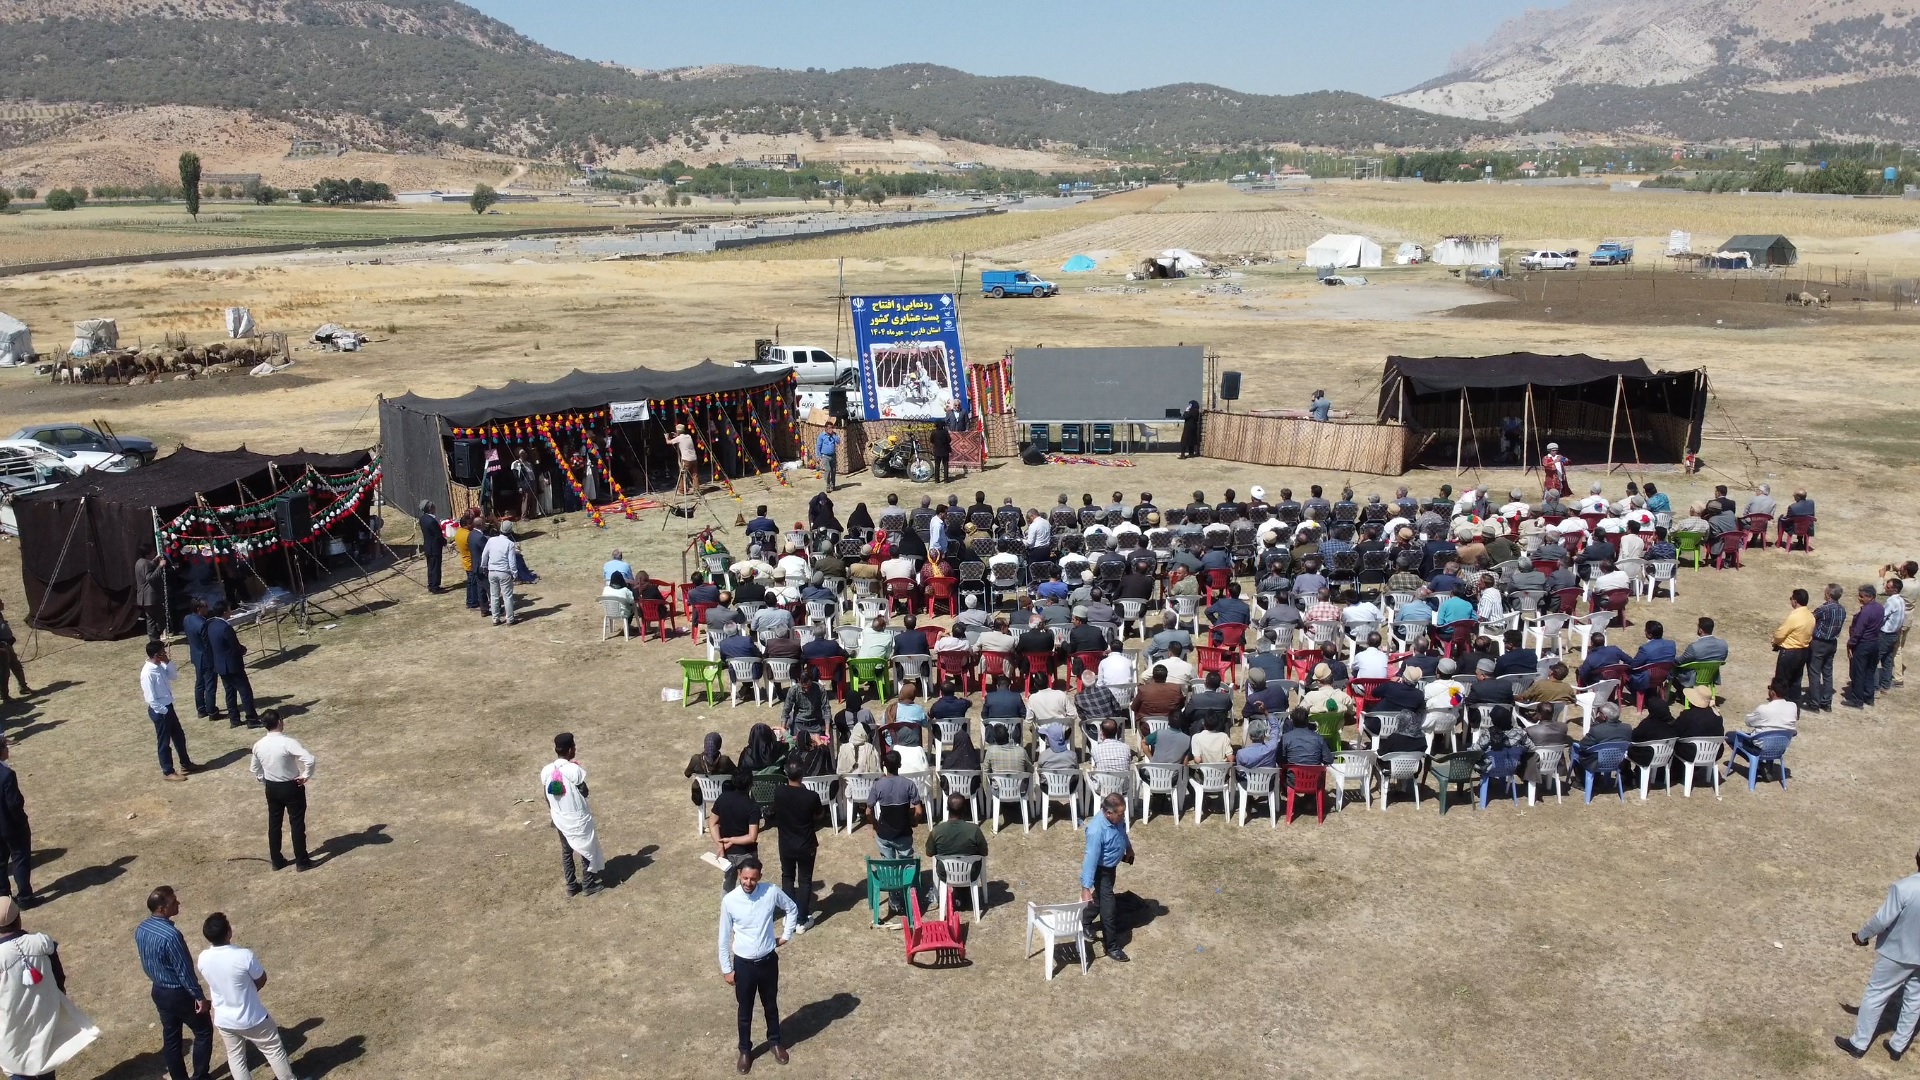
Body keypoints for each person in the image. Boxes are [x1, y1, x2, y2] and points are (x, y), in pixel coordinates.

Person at [0, 895, 95, 1079]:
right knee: (45, 1050)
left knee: (16, 1060)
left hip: (10, 1017)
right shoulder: (40, 942)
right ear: (18, 919)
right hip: (43, 1009)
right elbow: (58, 973)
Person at [717, 857, 797, 1073]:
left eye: (753, 879)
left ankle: (775, 1042)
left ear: (759, 877)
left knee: (771, 1005)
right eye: (744, 878)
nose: (748, 883)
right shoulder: (730, 901)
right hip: (743, 966)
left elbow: (791, 908)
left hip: (768, 962)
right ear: (739, 875)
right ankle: (745, 1051)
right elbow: (723, 937)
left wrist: (786, 935)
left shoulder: (771, 892)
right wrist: (727, 969)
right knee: (745, 1010)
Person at [1840, 849, 1920, 1060]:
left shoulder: (1904, 887)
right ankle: (1897, 1046)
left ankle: (1859, 1043)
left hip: (1898, 953)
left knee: (1876, 994)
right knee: (1915, 999)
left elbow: (1881, 920)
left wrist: (1862, 936)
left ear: (1917, 859)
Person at [196, 912, 296, 1080]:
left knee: (236, 1057)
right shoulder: (243, 956)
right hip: (252, 1018)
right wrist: (247, 992)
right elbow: (261, 979)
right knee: (273, 1050)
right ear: (228, 932)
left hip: (224, 1020)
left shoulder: (203, 958)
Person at [137, 886, 213, 1080]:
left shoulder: (142, 929)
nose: (178, 903)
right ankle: (200, 1077)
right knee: (203, 1031)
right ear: (162, 909)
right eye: (173, 902)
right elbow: (184, 971)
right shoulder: (171, 936)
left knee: (171, 1040)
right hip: (178, 993)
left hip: (158, 991)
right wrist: (199, 997)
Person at [247, 710, 315, 873]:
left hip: (272, 788)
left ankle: (276, 860)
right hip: (291, 787)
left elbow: (254, 768)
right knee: (297, 824)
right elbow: (309, 759)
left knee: (274, 824)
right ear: (279, 722)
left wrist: (265, 780)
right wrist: (305, 776)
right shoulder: (288, 742)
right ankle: (302, 861)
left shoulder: (259, 745)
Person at [544, 733, 606, 897]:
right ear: (570, 750)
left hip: (559, 818)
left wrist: (555, 812)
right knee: (587, 848)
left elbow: (546, 796)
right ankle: (588, 884)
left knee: (567, 851)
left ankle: (571, 886)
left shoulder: (547, 771)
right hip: (577, 819)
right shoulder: (574, 770)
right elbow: (584, 792)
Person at [1082, 792, 1134, 963]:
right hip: (1101, 871)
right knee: (1109, 908)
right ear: (1109, 813)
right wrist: (1085, 888)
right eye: (1121, 814)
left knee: (1100, 899)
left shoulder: (1117, 820)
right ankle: (1111, 947)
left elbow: (1122, 833)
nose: (1123, 817)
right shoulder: (1096, 830)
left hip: (1111, 868)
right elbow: (1090, 859)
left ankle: (1084, 921)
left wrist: (1128, 849)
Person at [869, 751, 922, 919]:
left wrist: (875, 824)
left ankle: (894, 899)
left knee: (889, 864)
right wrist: (914, 821)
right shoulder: (909, 784)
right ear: (899, 765)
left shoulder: (878, 785)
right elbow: (919, 810)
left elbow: (868, 811)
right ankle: (909, 895)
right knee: (907, 863)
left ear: (885, 765)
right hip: (904, 833)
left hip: (884, 833)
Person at [769, 763, 821, 929]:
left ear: (786, 774)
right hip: (806, 844)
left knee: (787, 877)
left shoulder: (779, 792)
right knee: (804, 880)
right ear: (802, 774)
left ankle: (790, 915)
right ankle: (801, 919)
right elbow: (819, 814)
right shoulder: (811, 796)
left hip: (786, 844)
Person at [141, 640, 197, 783]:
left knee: (179, 736)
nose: (165, 653)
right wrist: (164, 711)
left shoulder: (160, 666)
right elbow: (150, 698)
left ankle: (186, 764)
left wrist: (168, 662)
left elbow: (173, 676)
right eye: (163, 652)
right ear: (156, 655)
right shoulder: (148, 673)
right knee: (164, 742)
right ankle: (168, 771)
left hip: (168, 707)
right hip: (160, 711)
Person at [205, 604, 259, 727]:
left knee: (230, 693)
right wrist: (243, 650)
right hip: (232, 665)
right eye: (229, 610)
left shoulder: (211, 625)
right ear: (224, 612)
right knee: (245, 692)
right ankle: (252, 719)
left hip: (220, 666)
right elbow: (234, 646)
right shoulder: (226, 627)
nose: (231, 612)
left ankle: (234, 719)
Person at [710, 769, 762, 894]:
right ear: (750, 784)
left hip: (727, 852)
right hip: (746, 852)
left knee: (728, 885)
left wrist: (720, 845)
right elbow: (752, 837)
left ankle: (726, 906)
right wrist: (732, 840)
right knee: (749, 886)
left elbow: (712, 823)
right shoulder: (752, 806)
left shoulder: (723, 798)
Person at [1846, 584, 1888, 709]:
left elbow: (1858, 631)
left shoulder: (1866, 611)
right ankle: (1869, 697)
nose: (1859, 598)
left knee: (1858, 672)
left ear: (1869, 596)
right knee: (1870, 671)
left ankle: (1857, 700)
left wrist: (1851, 644)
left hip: (1863, 644)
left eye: (1862, 596)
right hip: (1875, 643)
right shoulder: (1880, 608)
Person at [1772, 589, 1814, 705]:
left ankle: (1780, 704)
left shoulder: (1794, 616)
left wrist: (1775, 641)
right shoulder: (1810, 616)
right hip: (1803, 652)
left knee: (1781, 681)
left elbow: (1780, 634)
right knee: (1796, 681)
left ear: (1795, 601)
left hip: (1789, 652)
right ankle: (1795, 706)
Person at [178, 599, 218, 722]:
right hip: (206, 658)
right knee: (210, 685)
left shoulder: (187, 619)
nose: (208, 608)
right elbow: (208, 644)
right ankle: (212, 711)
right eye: (205, 606)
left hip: (196, 656)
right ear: (199, 609)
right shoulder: (203, 624)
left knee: (200, 684)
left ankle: (201, 709)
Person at [0, 739, 28, 907]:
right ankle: (25, 897)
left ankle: (4, 898)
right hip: (10, 826)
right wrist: (22, 821)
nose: (7, 749)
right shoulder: (7, 775)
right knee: (20, 858)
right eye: (5, 746)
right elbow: (14, 804)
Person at [925, 794, 989, 867]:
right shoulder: (974, 829)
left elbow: (929, 853)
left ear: (947, 808)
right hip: (970, 871)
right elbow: (984, 852)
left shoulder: (936, 831)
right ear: (965, 809)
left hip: (944, 871)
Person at [482, 524, 520, 626]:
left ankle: (495, 619)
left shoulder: (491, 540)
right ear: (510, 532)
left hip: (492, 571)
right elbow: (512, 561)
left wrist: (484, 566)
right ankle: (510, 619)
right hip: (504, 572)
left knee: (494, 595)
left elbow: (484, 555)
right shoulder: (510, 543)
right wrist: (515, 573)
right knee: (507, 596)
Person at [1880, 578, 1908, 694]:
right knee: (1887, 660)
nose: (1885, 588)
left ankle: (1874, 688)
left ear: (1894, 590)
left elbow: (1882, 617)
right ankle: (1885, 685)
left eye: (1888, 587)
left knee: (1873, 660)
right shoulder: (1901, 600)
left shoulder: (1891, 601)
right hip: (1894, 634)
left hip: (1885, 634)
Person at [135, 548, 169, 641]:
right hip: (150, 597)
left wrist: (154, 561)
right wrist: (160, 566)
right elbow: (150, 578)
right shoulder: (146, 563)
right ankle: (155, 638)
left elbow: (147, 570)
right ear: (147, 554)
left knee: (151, 619)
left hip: (144, 597)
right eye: (152, 552)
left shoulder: (139, 562)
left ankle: (154, 639)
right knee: (156, 618)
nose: (154, 552)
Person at [417, 500, 445, 593]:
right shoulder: (432, 521)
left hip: (428, 546)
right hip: (434, 547)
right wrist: (445, 543)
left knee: (431, 567)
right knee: (436, 567)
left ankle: (431, 584)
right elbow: (438, 535)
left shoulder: (423, 519)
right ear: (430, 508)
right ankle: (435, 587)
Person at [671, 424, 699, 494]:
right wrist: (677, 436)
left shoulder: (679, 438)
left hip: (686, 459)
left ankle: (682, 490)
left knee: (683, 474)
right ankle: (696, 490)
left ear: (678, 431)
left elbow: (668, 442)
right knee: (694, 474)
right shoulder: (688, 436)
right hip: (694, 458)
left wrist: (666, 437)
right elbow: (682, 439)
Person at [814, 421, 840, 492]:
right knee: (828, 470)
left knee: (833, 471)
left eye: (832, 427)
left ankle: (833, 485)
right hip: (825, 456)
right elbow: (818, 446)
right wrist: (818, 456)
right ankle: (828, 485)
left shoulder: (834, 435)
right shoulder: (821, 436)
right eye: (829, 428)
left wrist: (833, 435)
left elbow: (838, 442)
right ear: (825, 428)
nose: (830, 429)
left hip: (833, 456)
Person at [929, 418, 952, 484]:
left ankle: (937, 480)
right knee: (945, 465)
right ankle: (946, 480)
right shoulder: (945, 431)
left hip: (937, 451)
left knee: (937, 465)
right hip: (945, 450)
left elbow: (931, 440)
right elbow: (949, 440)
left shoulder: (934, 432)